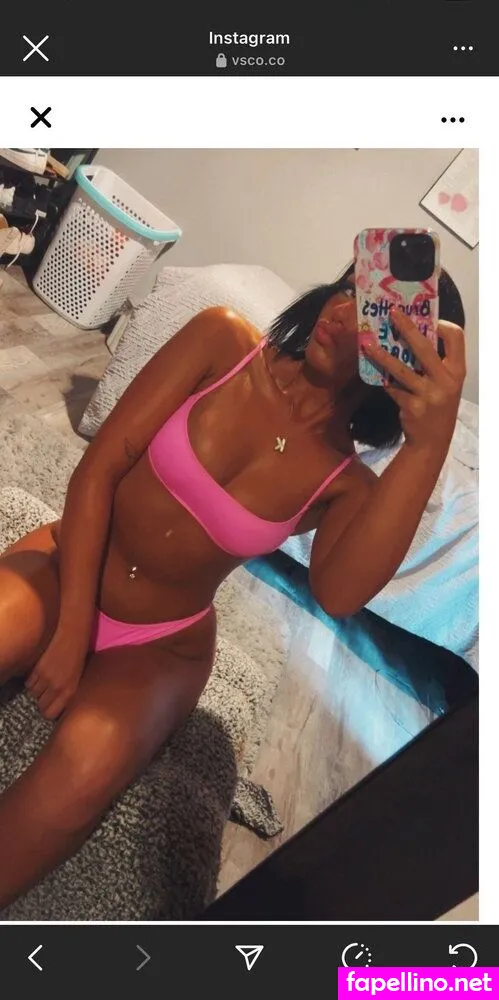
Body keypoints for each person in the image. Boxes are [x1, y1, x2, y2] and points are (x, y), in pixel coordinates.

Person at [0, 266, 466, 909]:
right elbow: (99, 468)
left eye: (375, 317)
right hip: (68, 564)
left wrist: (427, 446)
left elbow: (338, 596)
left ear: (399, 366)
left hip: (160, 644)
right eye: (350, 286)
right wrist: (73, 624)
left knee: (72, 790)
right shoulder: (220, 341)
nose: (344, 311)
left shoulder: (346, 484)